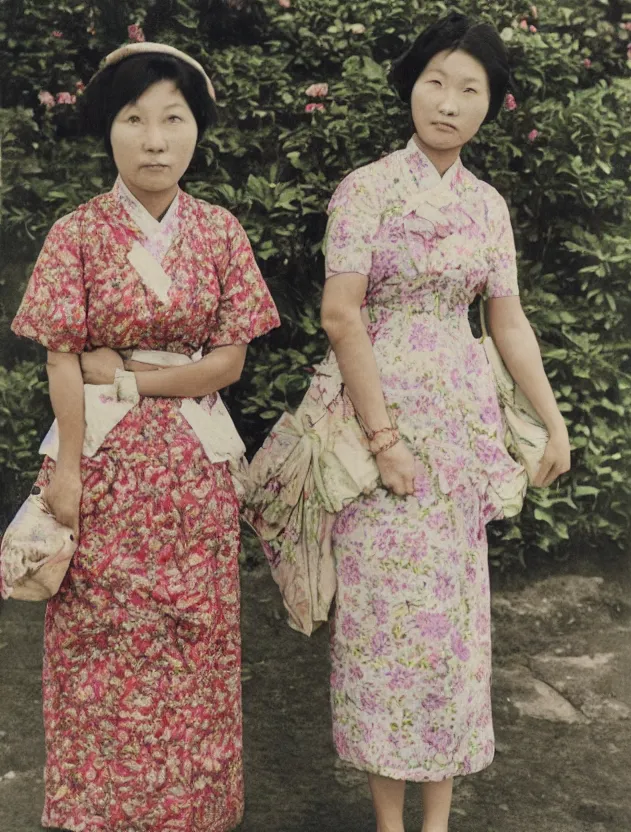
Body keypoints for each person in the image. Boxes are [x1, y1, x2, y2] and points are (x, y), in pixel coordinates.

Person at [11, 43, 279, 832]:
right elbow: (63, 359)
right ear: (110, 130)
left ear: (197, 129)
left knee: (196, 650)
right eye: (135, 119)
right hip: (101, 467)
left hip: (195, 472)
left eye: (173, 118)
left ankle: (192, 815)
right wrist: (65, 473)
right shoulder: (77, 233)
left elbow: (225, 363)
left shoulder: (221, 231)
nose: (155, 139)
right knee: (96, 645)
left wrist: (126, 374)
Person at [320, 13, 570, 832]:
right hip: (379, 418)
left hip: (460, 428)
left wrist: (552, 419)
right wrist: (384, 439)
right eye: (436, 81)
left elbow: (508, 322)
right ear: (411, 86)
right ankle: (389, 821)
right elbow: (340, 315)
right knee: (384, 624)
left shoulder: (487, 206)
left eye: (471, 90)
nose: (449, 102)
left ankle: (439, 821)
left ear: (490, 106)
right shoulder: (366, 188)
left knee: (454, 623)